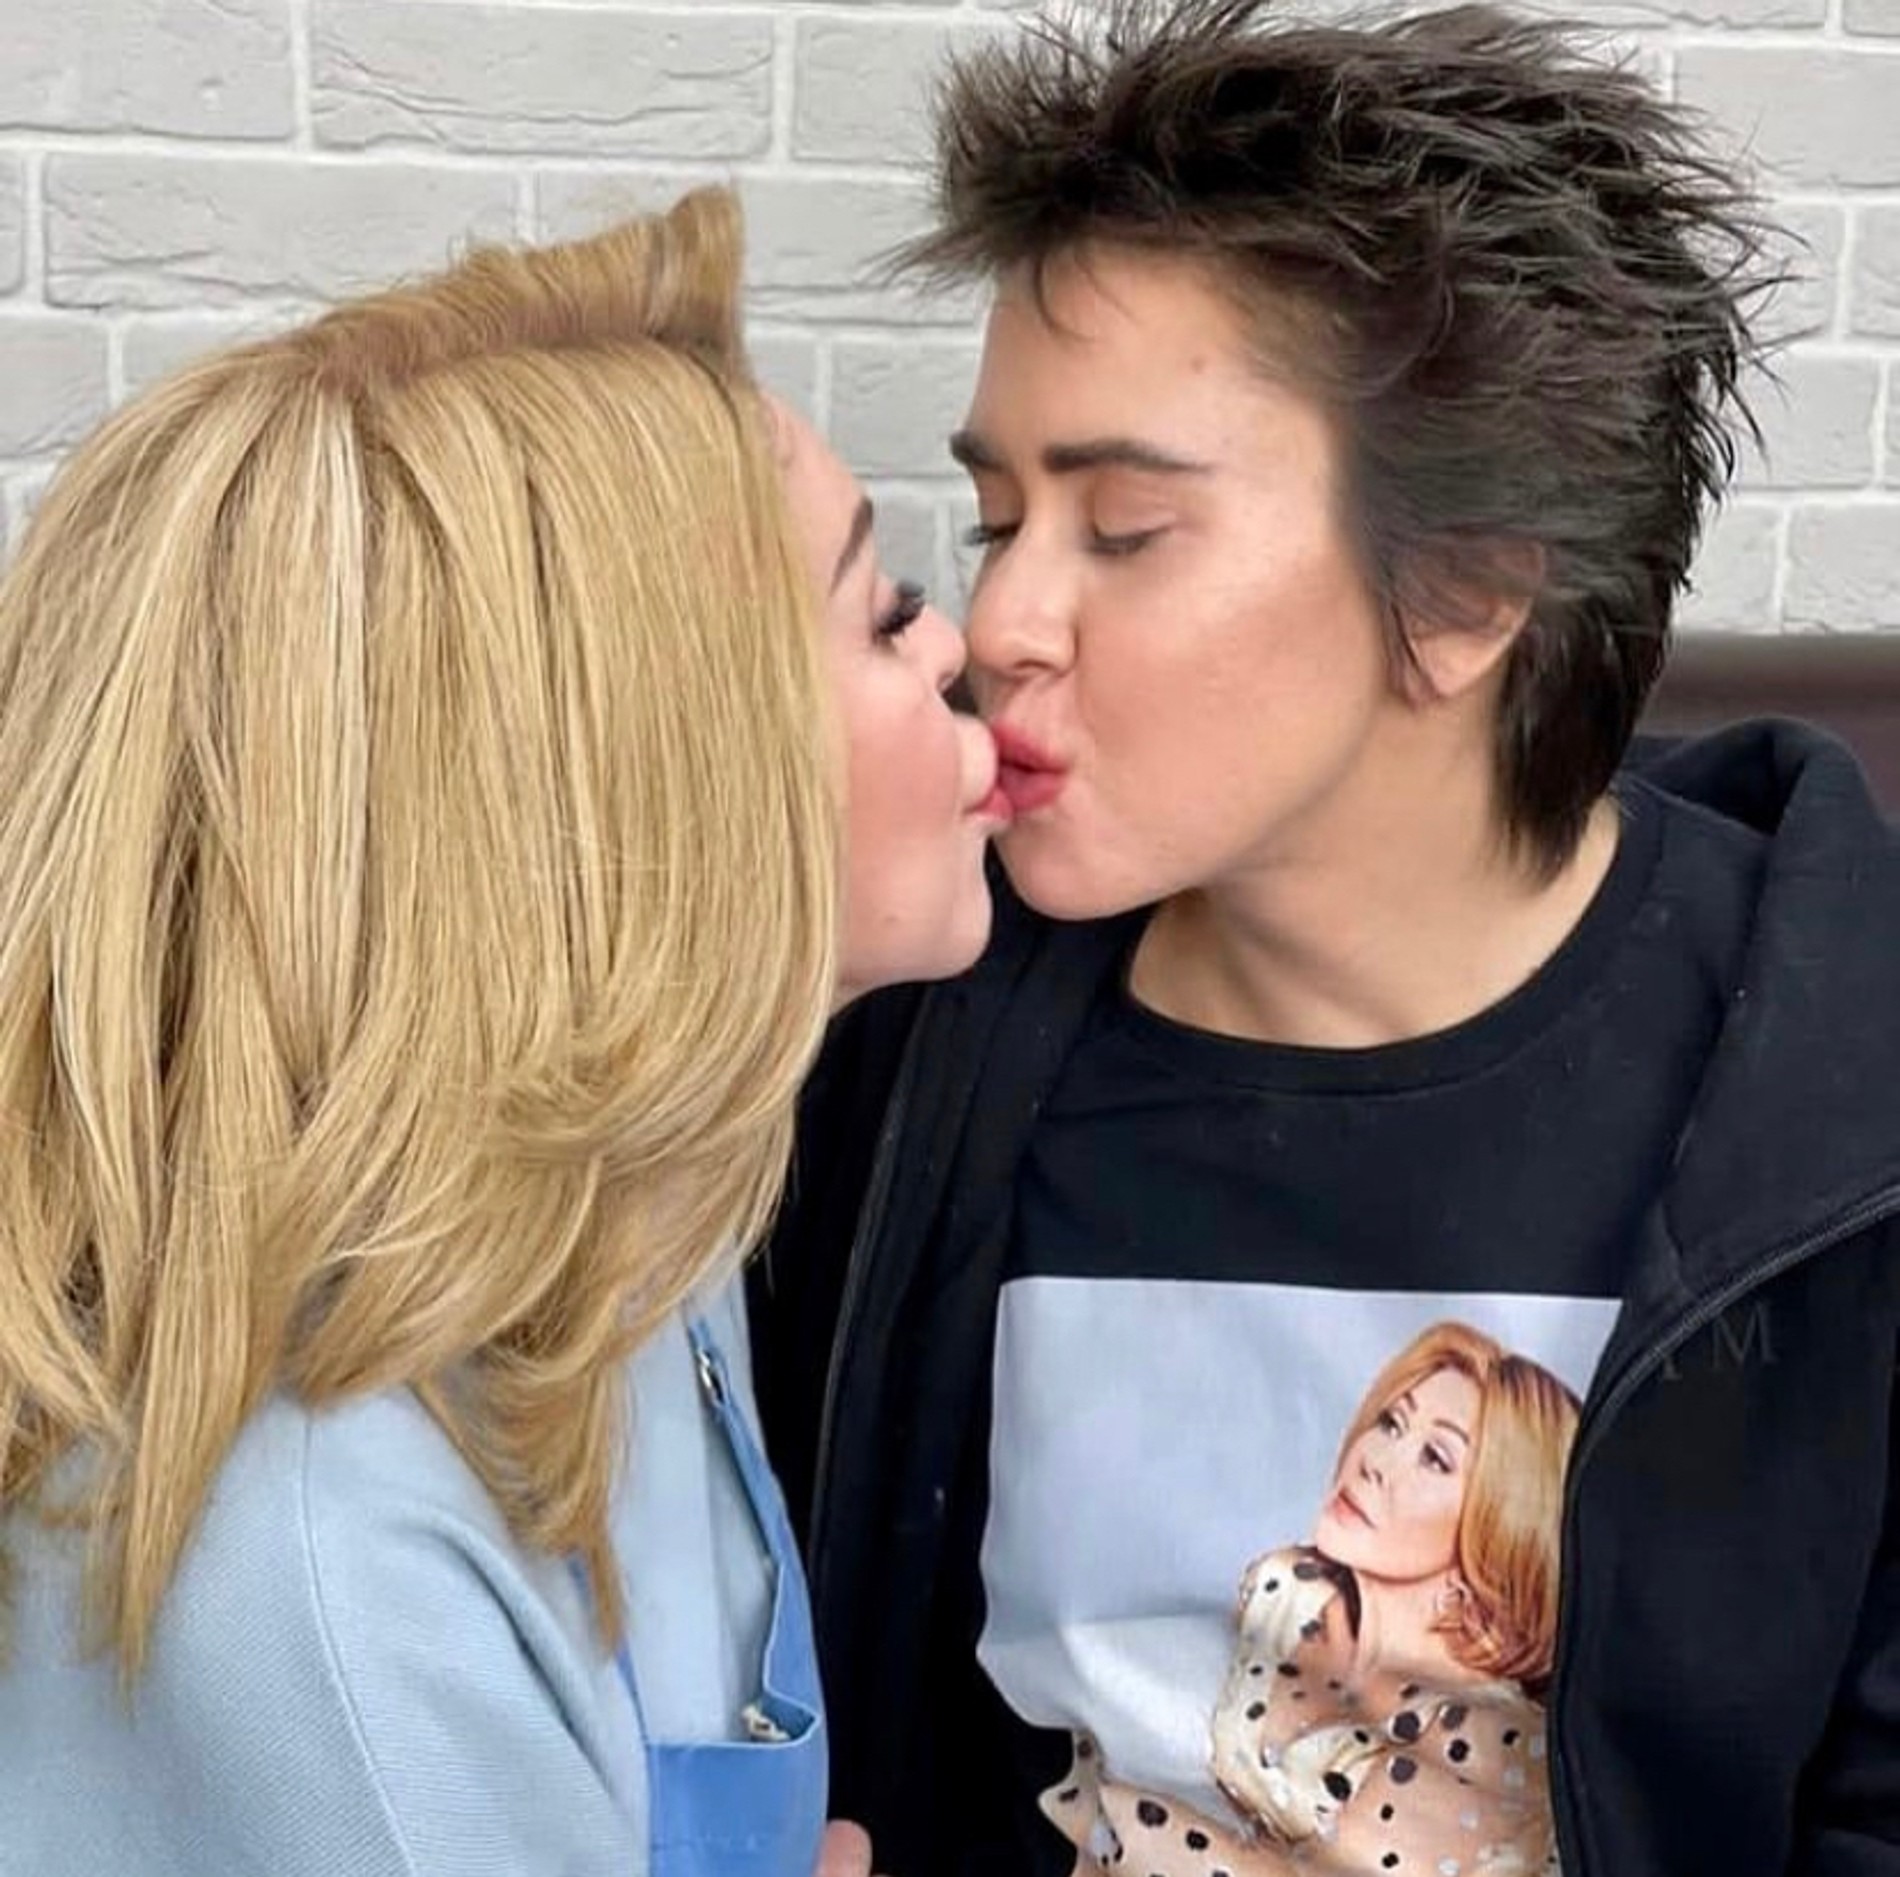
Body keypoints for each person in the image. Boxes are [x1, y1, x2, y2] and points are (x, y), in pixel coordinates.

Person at [747, 5, 1900, 1875]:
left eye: (1127, 527)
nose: (1002, 620)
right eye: (997, 518)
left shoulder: (1841, 1114)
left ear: (1459, 597)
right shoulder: (898, 1053)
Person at [0, 187, 1004, 1876]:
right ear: (662, 778)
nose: (961, 643)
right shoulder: (332, 1589)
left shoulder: (626, 1204)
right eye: (886, 608)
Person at [1042, 1322, 1580, 1877]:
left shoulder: (1498, 1744)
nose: (1375, 1460)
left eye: (1435, 1458)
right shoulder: (1290, 1591)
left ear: (1502, 1524)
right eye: (1391, 1423)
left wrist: (1111, 1821)